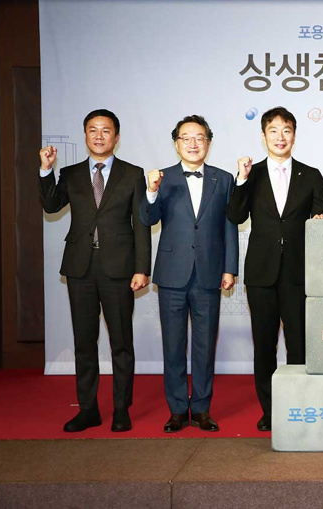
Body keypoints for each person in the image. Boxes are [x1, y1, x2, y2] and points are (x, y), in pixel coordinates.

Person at [39, 109, 151, 433]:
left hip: (119, 268)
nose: (99, 136)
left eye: (106, 130)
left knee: (121, 343)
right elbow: (51, 205)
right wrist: (46, 170)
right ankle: (88, 409)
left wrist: (142, 268)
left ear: (117, 137)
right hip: (81, 268)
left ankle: (121, 409)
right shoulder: (71, 174)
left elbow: (141, 224)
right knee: (84, 342)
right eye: (93, 130)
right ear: (86, 135)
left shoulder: (133, 174)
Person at [226, 106, 323, 432]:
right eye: (273, 130)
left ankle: (298, 405)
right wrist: (241, 180)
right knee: (265, 345)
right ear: (263, 136)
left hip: (298, 273)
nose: (280, 136)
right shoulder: (252, 174)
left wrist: (322, 219)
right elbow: (235, 216)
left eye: (286, 130)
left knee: (298, 344)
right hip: (261, 273)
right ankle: (271, 410)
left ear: (294, 136)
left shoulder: (310, 175)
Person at [140, 115, 238, 433]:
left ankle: (202, 409)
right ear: (176, 143)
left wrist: (230, 267)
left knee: (205, 346)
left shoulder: (224, 179)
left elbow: (230, 227)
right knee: (173, 345)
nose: (193, 143)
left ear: (208, 142)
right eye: (186, 137)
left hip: (210, 272)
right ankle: (177, 409)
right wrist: (151, 191)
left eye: (199, 137)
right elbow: (148, 218)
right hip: (172, 274)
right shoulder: (162, 177)